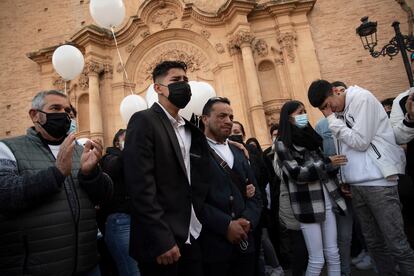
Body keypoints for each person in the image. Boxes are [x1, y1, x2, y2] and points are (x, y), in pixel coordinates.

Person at [0, 90, 113, 275]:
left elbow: (106, 196)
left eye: (68, 110)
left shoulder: (80, 150)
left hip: (88, 264)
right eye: (55, 108)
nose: (64, 114)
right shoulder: (7, 149)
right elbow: (5, 196)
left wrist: (91, 174)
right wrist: (56, 174)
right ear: (35, 115)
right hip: (35, 268)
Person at [308, 79, 414, 276]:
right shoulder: (338, 111)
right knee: (374, 245)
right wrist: (344, 177)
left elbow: (360, 142)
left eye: (327, 104)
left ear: (334, 91)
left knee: (396, 243)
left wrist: (332, 120)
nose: (327, 110)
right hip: (357, 186)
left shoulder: (362, 99)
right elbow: (345, 151)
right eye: (323, 109)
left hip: (379, 182)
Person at [123, 60, 211, 276]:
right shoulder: (143, 121)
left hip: (193, 234)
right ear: (158, 88)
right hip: (163, 242)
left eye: (185, 80)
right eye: (176, 80)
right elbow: (141, 187)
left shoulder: (190, 128)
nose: (183, 85)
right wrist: (161, 239)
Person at [275, 100, 347, 276]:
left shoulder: (311, 137)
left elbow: (325, 167)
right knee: (317, 259)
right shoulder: (282, 143)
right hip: (307, 205)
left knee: (333, 253)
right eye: (299, 112)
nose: (303, 115)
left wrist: (335, 165)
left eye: (304, 111)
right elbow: (296, 173)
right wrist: (327, 162)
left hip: (328, 200)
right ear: (288, 117)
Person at [199, 96, 262, 276]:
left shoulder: (240, 151)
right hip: (214, 249)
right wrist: (226, 225)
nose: (228, 121)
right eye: (221, 116)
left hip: (245, 244)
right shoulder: (195, 153)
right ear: (205, 119)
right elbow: (194, 200)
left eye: (231, 117)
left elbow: (256, 195)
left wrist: (248, 221)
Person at [100, 129, 140, 276]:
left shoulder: (137, 158)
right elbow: (113, 168)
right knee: (131, 270)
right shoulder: (109, 157)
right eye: (128, 138)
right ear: (118, 142)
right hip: (121, 221)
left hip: (138, 220)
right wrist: (128, 151)